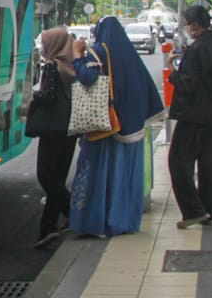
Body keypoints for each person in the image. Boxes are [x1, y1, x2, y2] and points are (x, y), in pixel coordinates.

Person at [68, 16, 166, 237]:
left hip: (105, 127)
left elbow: (88, 77)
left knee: (98, 174)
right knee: (123, 176)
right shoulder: (130, 56)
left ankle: (97, 223)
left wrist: (77, 56)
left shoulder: (99, 51)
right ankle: (122, 220)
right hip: (129, 125)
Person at [168, 3, 212, 227]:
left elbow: (188, 83)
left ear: (194, 25)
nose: (186, 27)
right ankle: (210, 209)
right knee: (209, 164)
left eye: (186, 23)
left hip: (193, 115)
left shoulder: (197, 49)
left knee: (178, 162)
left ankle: (193, 209)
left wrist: (173, 75)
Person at [29, 26, 79, 249]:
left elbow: (48, 97)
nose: (43, 46)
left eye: (46, 42)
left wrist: (32, 97)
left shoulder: (52, 66)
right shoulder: (72, 66)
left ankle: (75, 214)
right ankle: (47, 229)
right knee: (57, 179)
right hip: (70, 129)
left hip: (52, 130)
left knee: (46, 177)